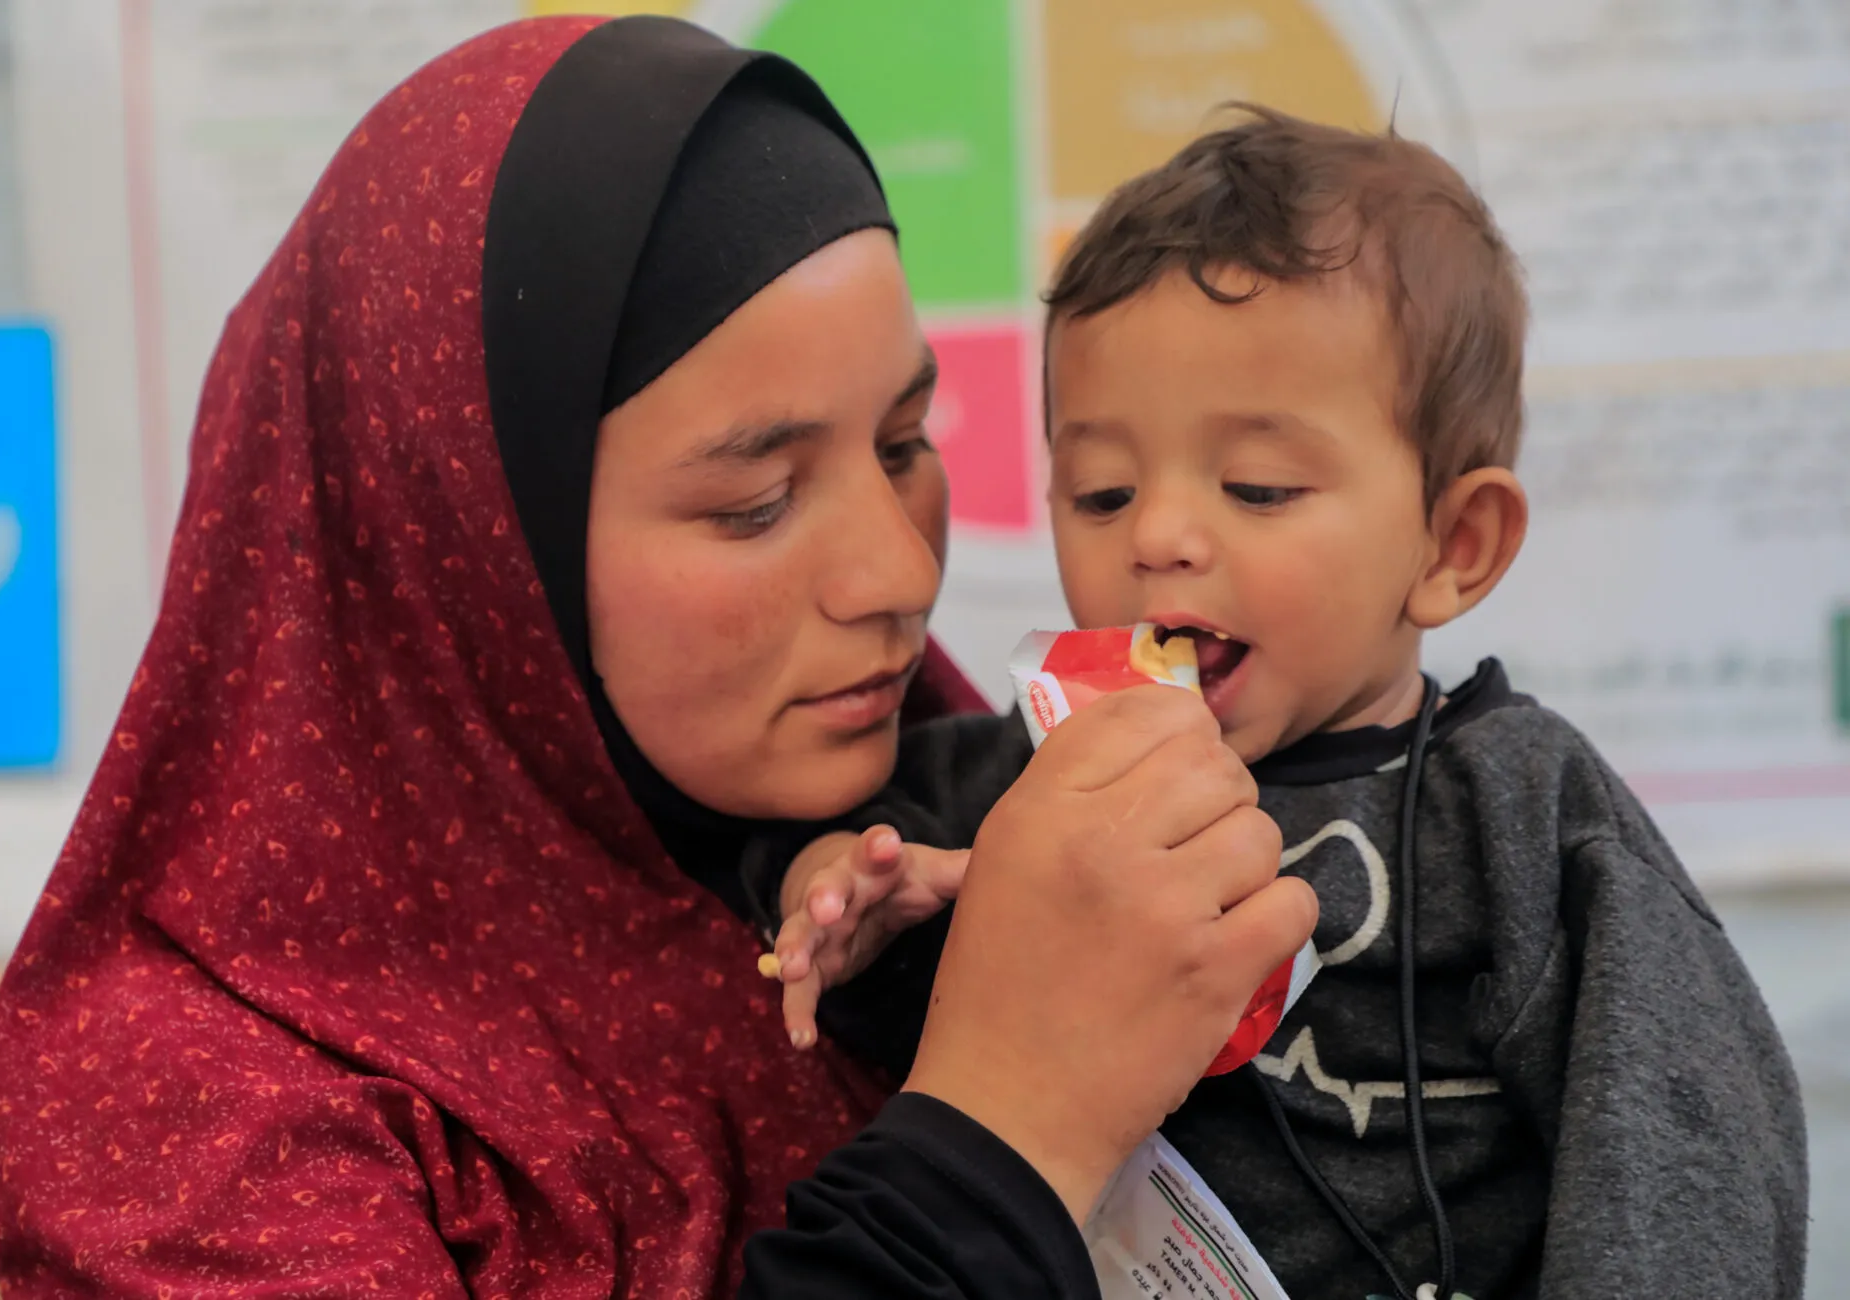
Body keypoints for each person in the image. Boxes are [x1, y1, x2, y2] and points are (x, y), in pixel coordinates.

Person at [0, 17, 1317, 1300]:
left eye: (906, 443)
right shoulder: (192, 1109)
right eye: (754, 502)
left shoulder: (922, 847)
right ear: (466, 551)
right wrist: (1009, 1123)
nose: (903, 576)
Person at [756, 108, 1809, 1300]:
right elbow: (853, 885)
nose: (1156, 536)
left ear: (1453, 543)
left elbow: (1684, 1137)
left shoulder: (1520, 807)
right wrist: (841, 890)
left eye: (1257, 485)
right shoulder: (1028, 778)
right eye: (1100, 492)